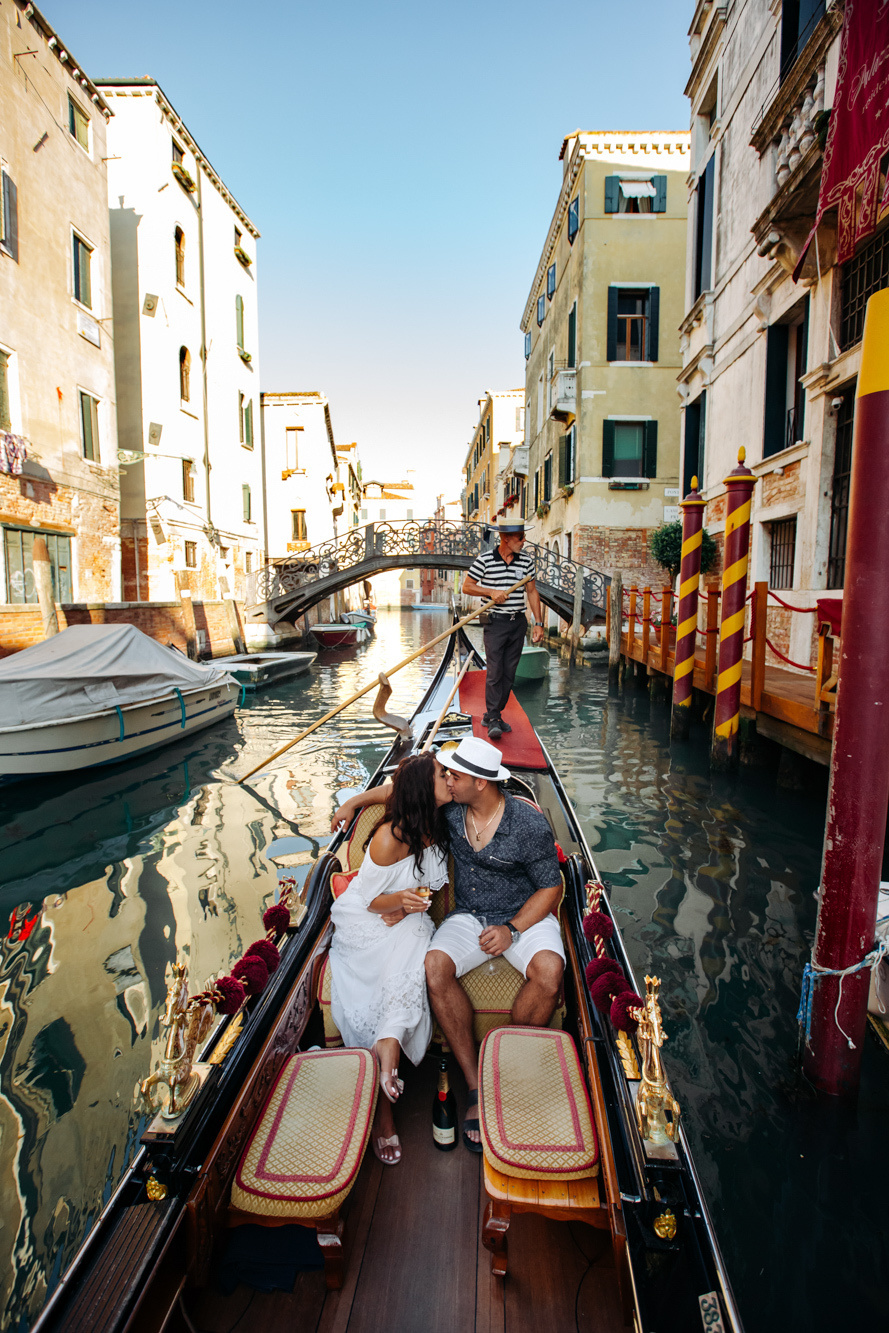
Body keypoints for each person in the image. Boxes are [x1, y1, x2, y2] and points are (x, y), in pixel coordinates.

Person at [426, 735, 564, 1151]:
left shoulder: (528, 825)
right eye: (447, 774)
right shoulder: (451, 811)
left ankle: (506, 1074)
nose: (448, 781)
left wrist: (513, 929)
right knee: (435, 966)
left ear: (481, 782)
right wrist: (353, 804)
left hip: (522, 916)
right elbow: (403, 793)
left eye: (455, 775)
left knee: (550, 972)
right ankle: (475, 1087)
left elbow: (552, 887)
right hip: (469, 915)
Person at [328, 752, 451, 1165]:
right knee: (413, 937)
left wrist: (353, 801)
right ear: (423, 790)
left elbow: (389, 789)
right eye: (442, 774)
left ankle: (388, 1050)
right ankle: (384, 1099)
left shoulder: (439, 813)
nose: (450, 778)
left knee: (416, 934)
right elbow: (368, 901)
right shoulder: (387, 838)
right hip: (365, 923)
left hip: (406, 920)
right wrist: (398, 901)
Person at [461, 520, 545, 740]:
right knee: (495, 670)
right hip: (494, 622)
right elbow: (467, 586)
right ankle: (494, 717)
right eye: (520, 537)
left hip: (518, 623)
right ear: (506, 539)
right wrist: (490, 592)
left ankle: (492, 715)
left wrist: (539, 623)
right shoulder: (485, 560)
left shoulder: (526, 562)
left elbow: (532, 592)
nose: (524, 541)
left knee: (509, 673)